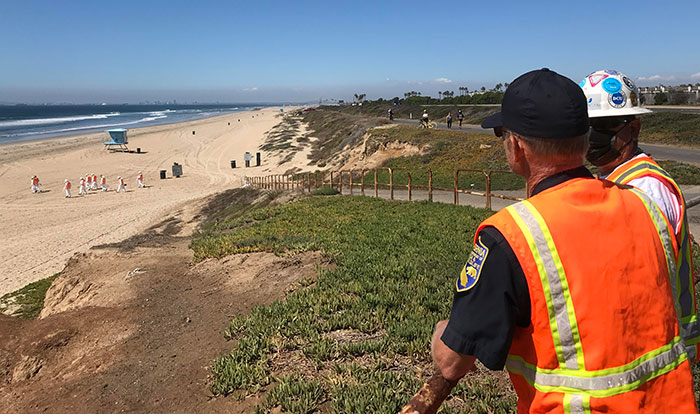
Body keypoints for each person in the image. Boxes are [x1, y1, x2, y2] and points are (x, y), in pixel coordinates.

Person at [429, 69, 697, 413]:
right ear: (585, 141)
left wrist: (442, 336)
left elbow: (452, 362)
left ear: (516, 146)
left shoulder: (510, 235)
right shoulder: (645, 205)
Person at [581, 69, 698, 360]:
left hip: (654, 343)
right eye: (587, 125)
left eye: (605, 125)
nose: (594, 135)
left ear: (634, 129)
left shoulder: (644, 188)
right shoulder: (613, 176)